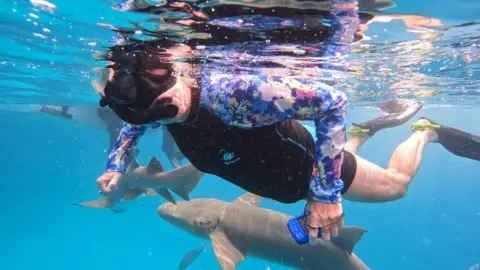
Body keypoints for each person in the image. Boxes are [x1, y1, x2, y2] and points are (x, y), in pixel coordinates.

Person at [95, 0, 361, 243]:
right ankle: (358, 140)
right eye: (152, 117)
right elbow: (137, 120)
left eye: (163, 113)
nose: (156, 120)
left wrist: (325, 193)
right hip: (276, 182)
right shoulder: (153, 102)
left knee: (393, 186)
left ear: (172, 79)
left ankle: (377, 133)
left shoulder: (233, 95)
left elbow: (332, 102)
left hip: (307, 167)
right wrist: (116, 165)